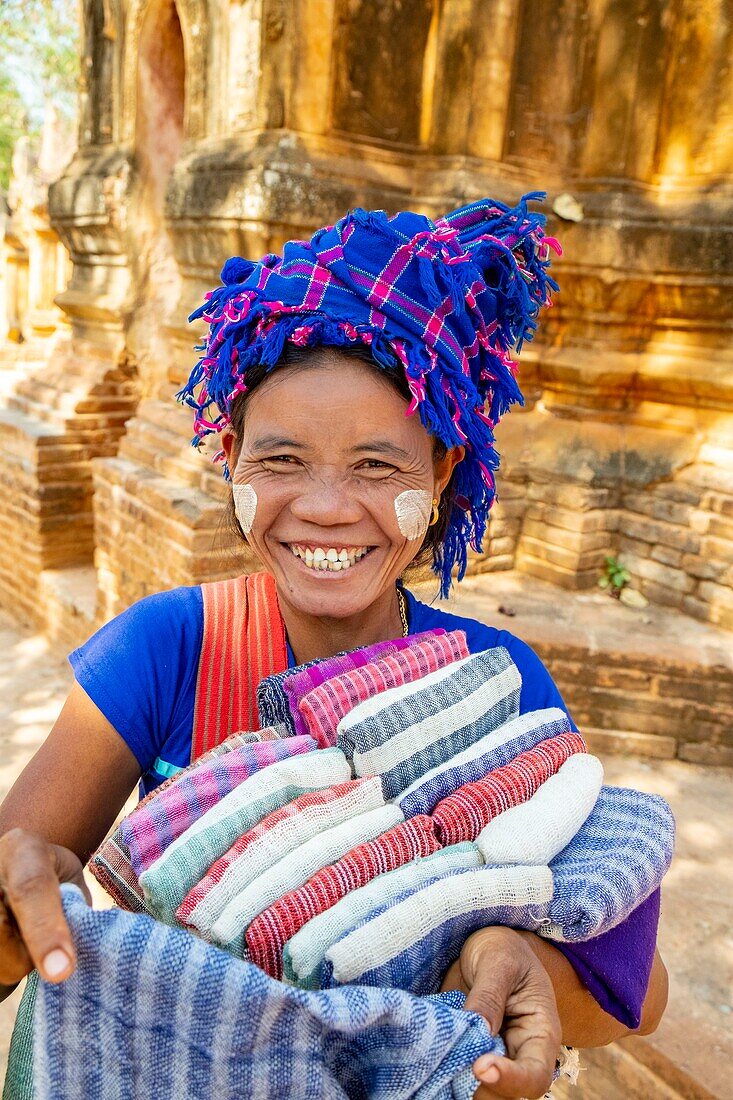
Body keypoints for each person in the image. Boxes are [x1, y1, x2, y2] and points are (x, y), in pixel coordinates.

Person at [0, 195, 668, 1100]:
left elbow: (639, 990)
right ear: (228, 455)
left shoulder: (495, 684)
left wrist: (518, 966)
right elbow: (20, 890)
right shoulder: (164, 651)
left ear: (439, 472)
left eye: (376, 465)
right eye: (279, 461)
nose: (322, 505)